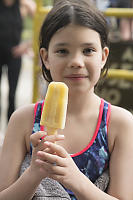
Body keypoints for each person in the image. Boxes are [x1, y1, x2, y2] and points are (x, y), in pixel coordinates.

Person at [0, 0, 133, 199]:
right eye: (62, 51)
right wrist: (33, 174)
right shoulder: (23, 120)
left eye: (88, 50)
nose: (76, 62)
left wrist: (75, 179)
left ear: (104, 56)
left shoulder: (119, 123)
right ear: (45, 57)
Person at [0, 0, 36, 122]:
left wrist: (26, 45)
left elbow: (43, 24)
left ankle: (10, 128)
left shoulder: (24, 5)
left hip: (14, 55)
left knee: (12, 94)